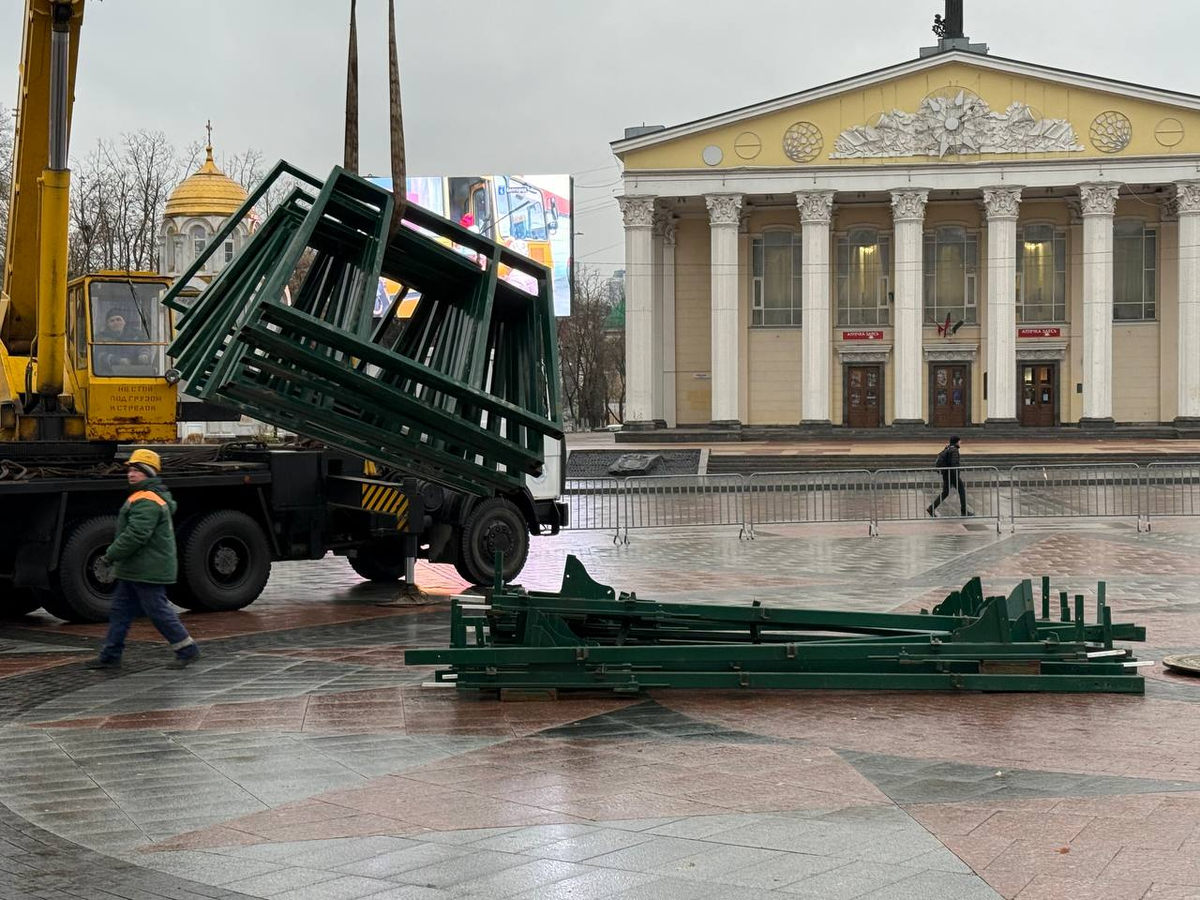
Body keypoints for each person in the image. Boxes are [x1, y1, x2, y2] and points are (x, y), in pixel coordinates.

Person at [85, 449, 200, 670]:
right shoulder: (142, 496)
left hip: (148, 569)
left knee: (156, 610)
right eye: (130, 469)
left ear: (149, 473)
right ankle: (110, 656)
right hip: (135, 568)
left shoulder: (147, 500)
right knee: (120, 611)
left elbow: (136, 534)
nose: (131, 474)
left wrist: (111, 555)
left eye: (137, 470)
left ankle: (187, 649)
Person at [927, 435, 970, 517]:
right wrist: (956, 475)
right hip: (952, 475)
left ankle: (931, 508)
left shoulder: (948, 448)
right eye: (959, 441)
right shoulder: (954, 450)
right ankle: (964, 511)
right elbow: (954, 464)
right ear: (957, 441)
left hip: (946, 474)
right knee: (961, 491)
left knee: (945, 493)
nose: (960, 442)